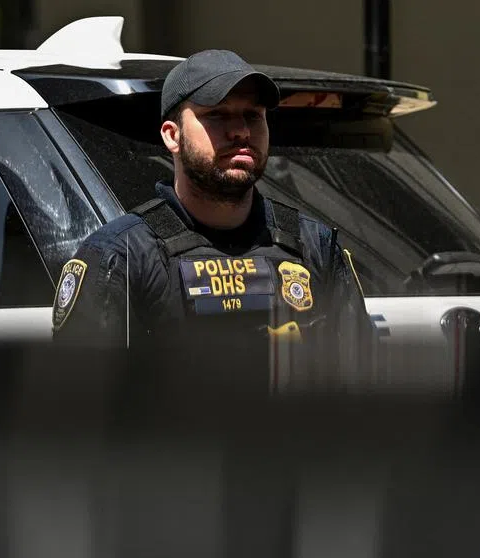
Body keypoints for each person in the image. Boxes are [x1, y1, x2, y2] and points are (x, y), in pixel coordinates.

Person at [50, 49, 374, 387]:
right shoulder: (120, 256)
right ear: (172, 135)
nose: (241, 132)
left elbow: (361, 389)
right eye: (218, 115)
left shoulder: (313, 245)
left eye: (253, 115)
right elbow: (80, 415)